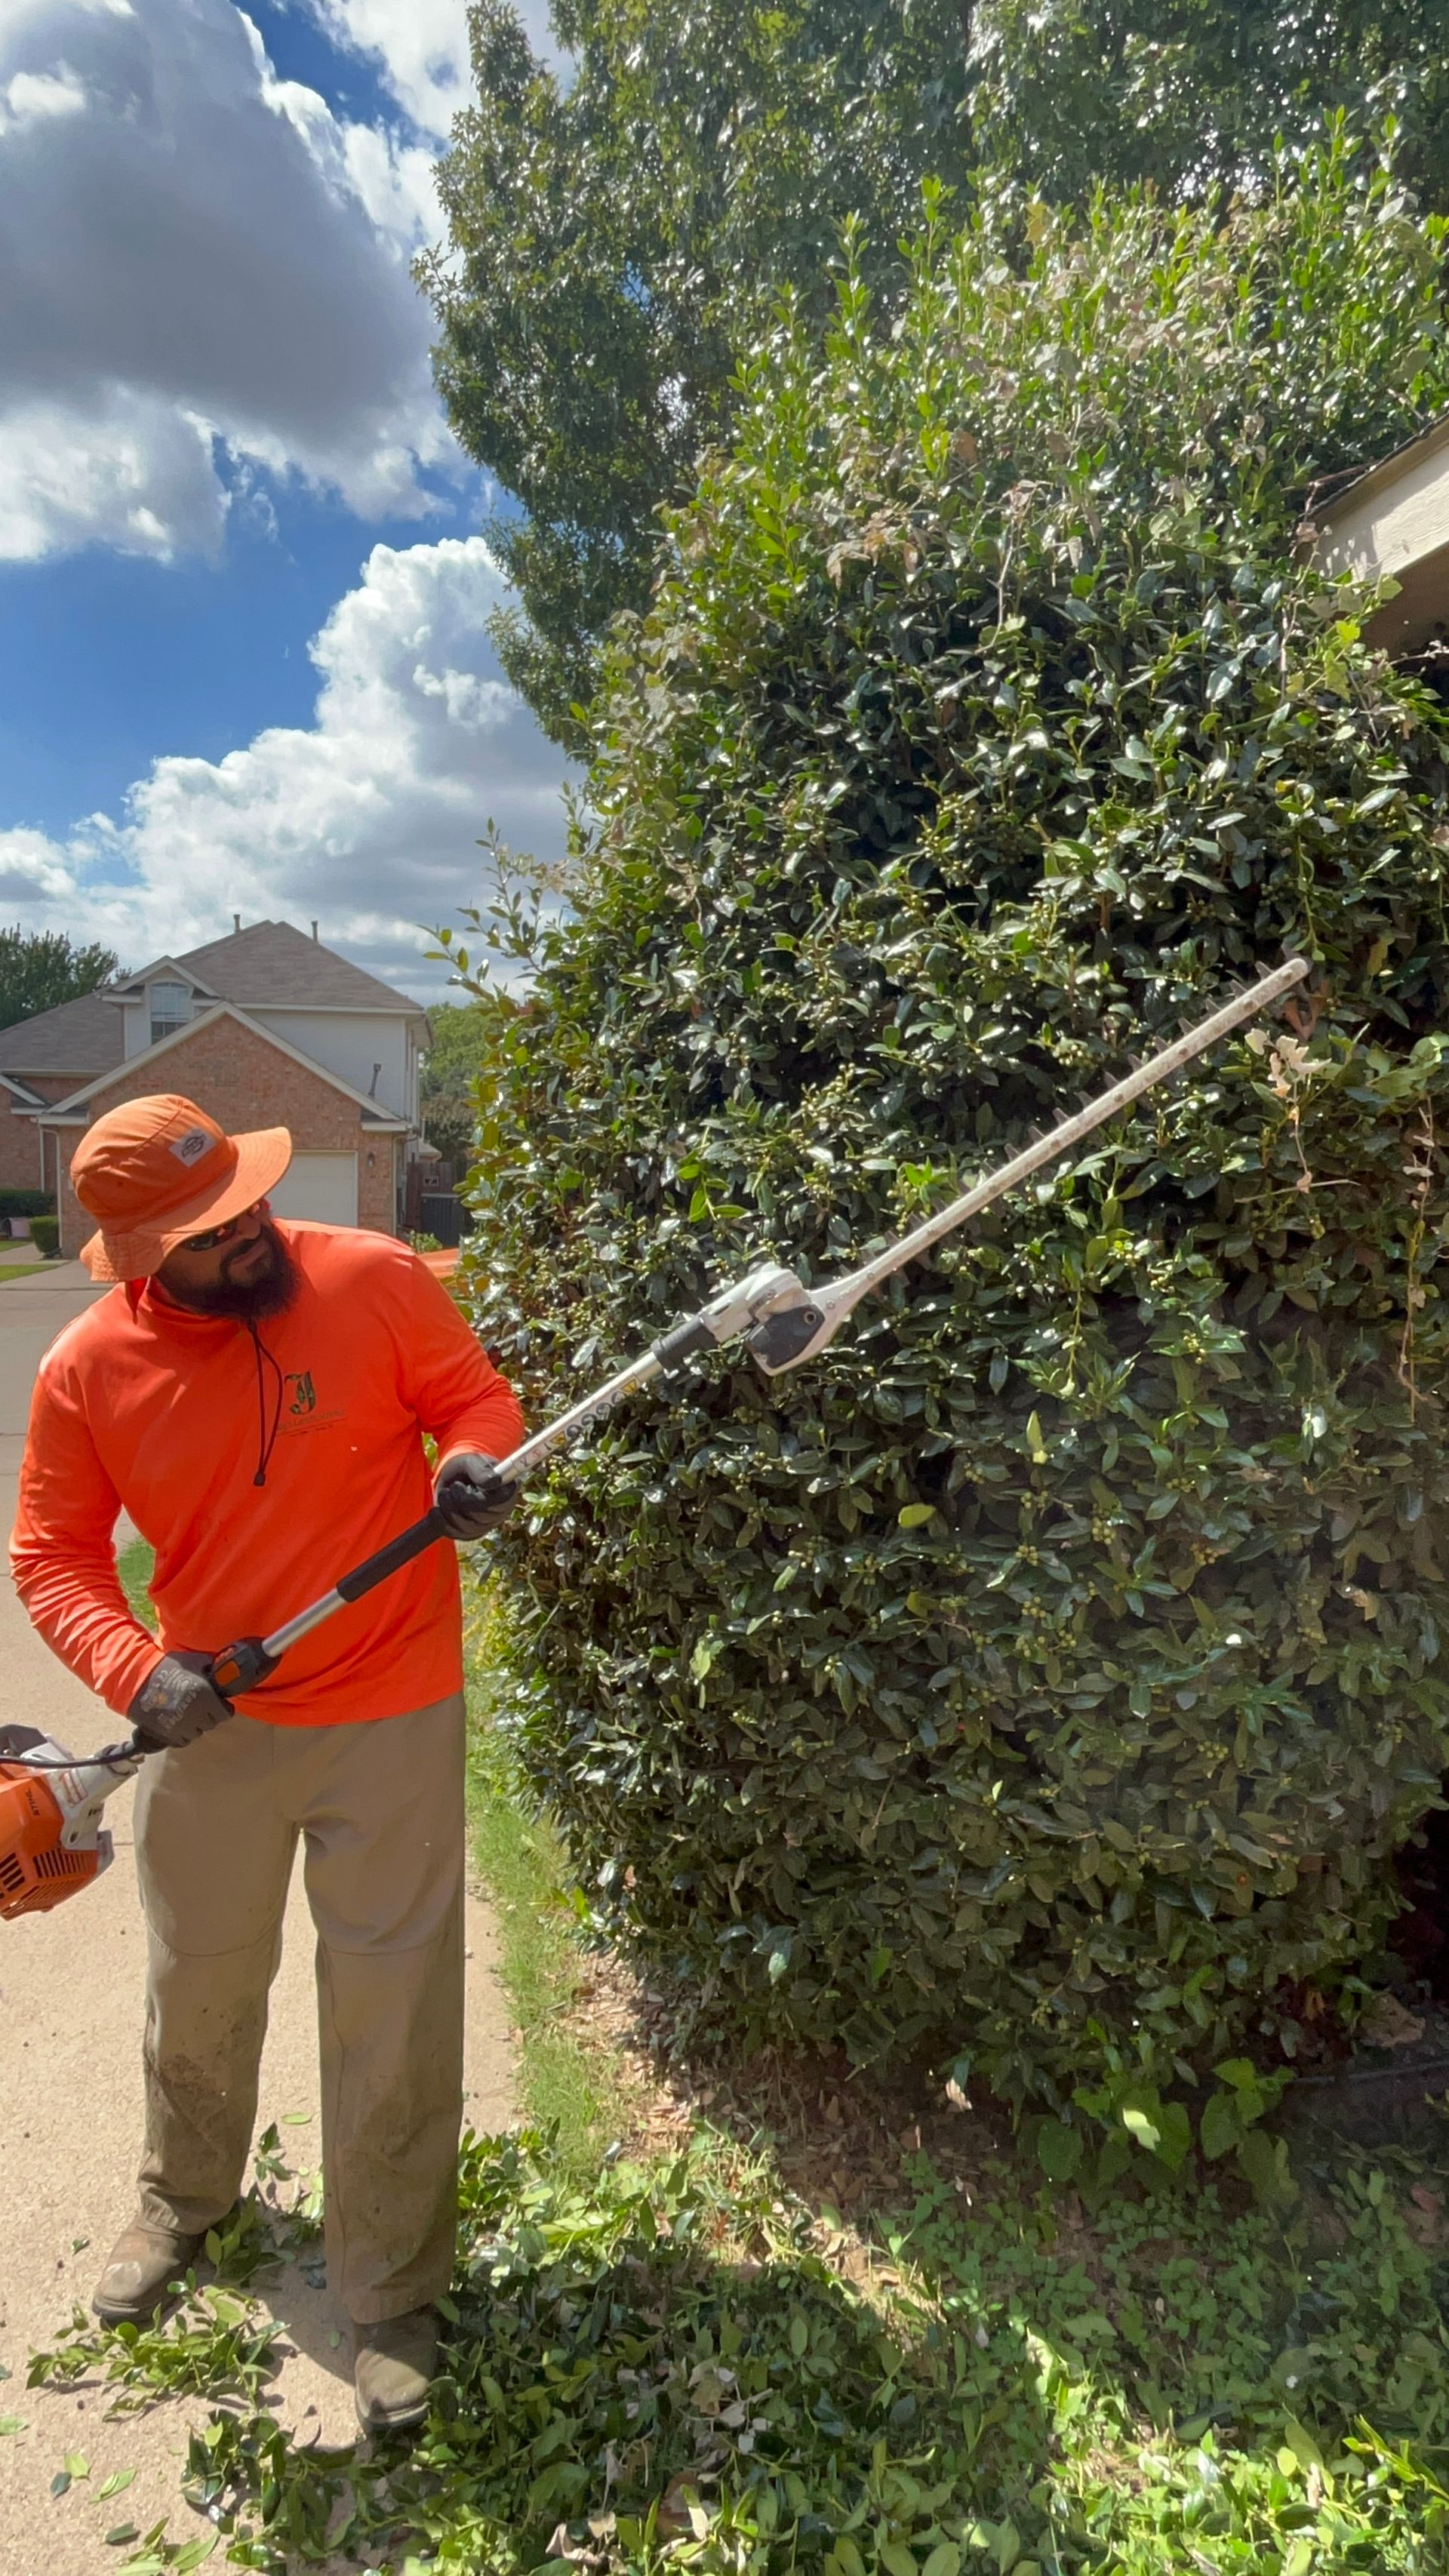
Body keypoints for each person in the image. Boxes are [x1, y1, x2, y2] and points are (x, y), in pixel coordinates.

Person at [10, 1093, 525, 2433]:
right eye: (203, 1231)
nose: (245, 1235)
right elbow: (53, 1557)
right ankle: (185, 2199)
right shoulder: (84, 1370)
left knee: (392, 1999)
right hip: (214, 1725)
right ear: (133, 1254)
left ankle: (391, 2288)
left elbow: (471, 1396)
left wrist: (475, 1457)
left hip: (393, 1703)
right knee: (201, 1976)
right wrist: (136, 1672)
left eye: (241, 1201)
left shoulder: (373, 1277)